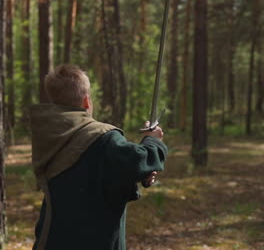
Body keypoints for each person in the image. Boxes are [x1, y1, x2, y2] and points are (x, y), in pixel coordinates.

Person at [31, 65, 167, 250]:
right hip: (94, 241)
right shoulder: (103, 138)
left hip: (54, 239)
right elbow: (139, 161)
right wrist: (152, 142)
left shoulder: (50, 135)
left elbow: (93, 172)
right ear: (86, 101)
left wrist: (141, 175)